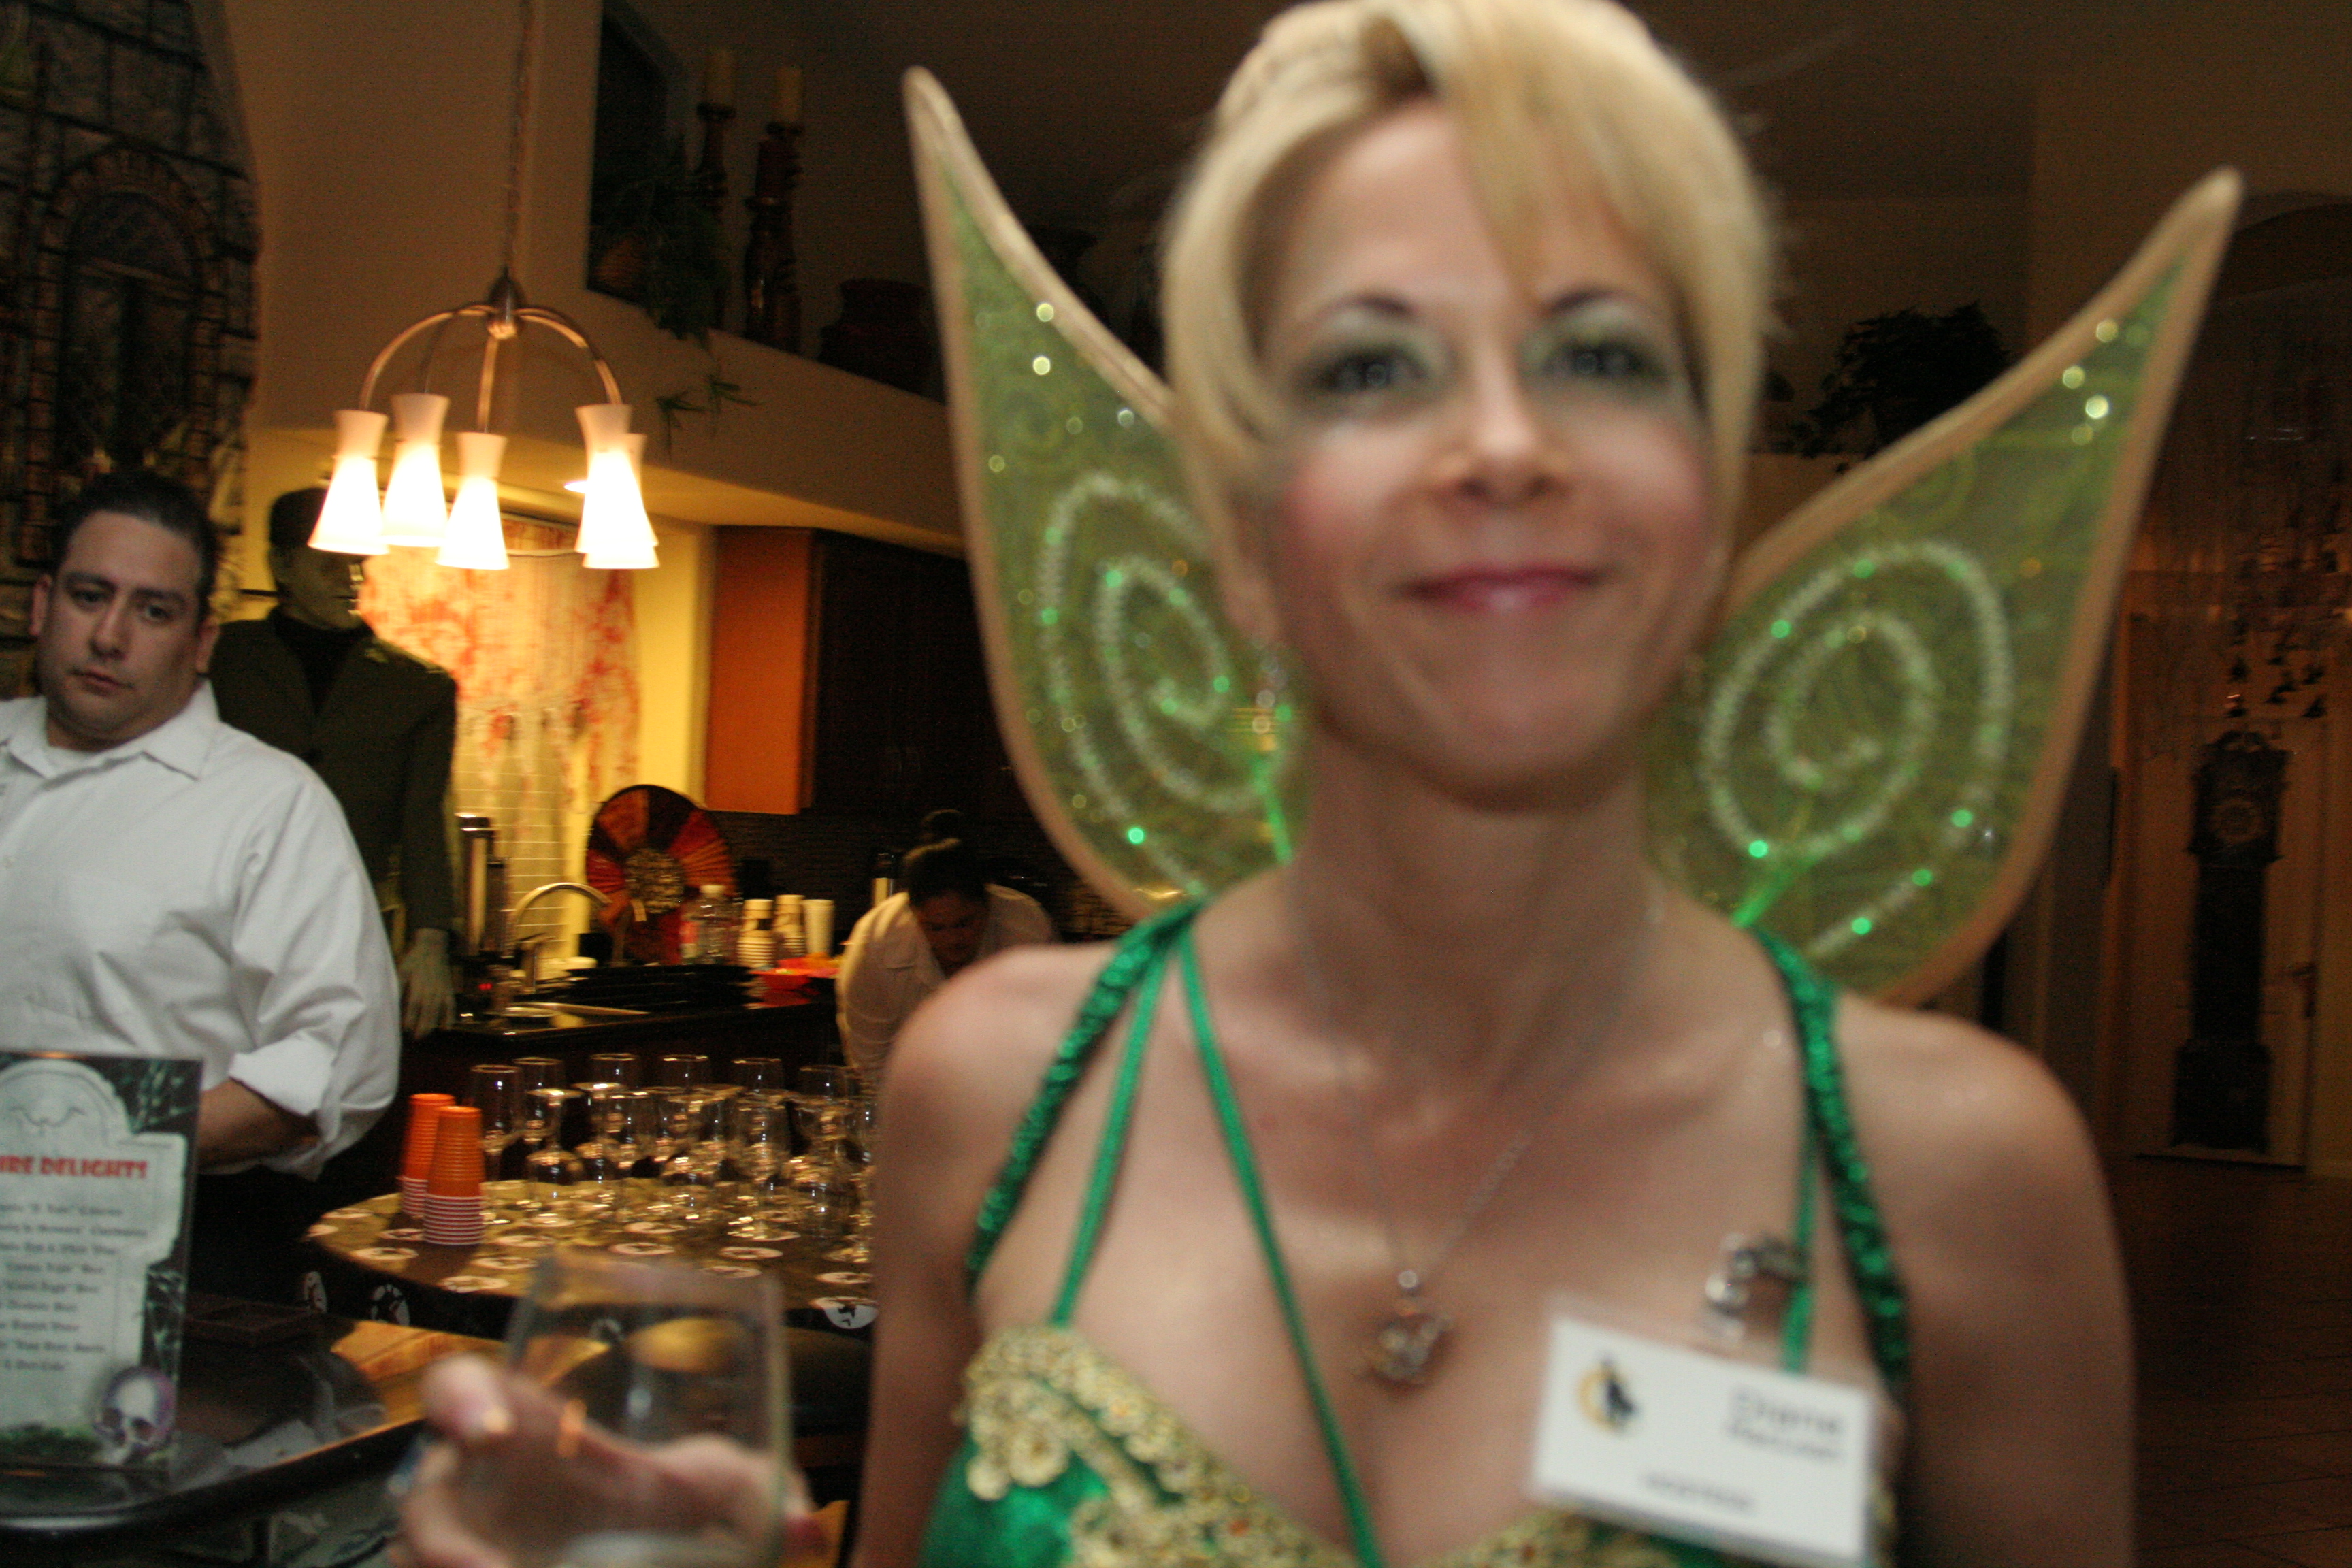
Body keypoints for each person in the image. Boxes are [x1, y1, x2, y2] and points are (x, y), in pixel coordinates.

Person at [401, 2, 2130, 1564]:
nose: (1500, 442)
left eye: (1601, 355)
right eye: (1370, 366)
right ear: (1236, 532)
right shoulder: (999, 1090)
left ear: (1707, 501)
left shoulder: (1953, 1178)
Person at [0, 470, 401, 1301]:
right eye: (89, 596)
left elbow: (331, 1065)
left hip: (171, 1244)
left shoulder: (270, 805)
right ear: (41, 605)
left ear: (202, 640)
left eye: (153, 611)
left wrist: (75, 1145)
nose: (110, 636)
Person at [209, 487, 459, 1036]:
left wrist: (431, 940)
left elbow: (423, 822)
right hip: (221, 928)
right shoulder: (223, 658)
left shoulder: (417, 687)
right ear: (282, 566)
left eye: (358, 562)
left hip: (345, 938)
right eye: (329, 563)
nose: (351, 579)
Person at [836, 836, 1056, 1083]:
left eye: (964, 924)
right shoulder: (875, 946)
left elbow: (1047, 1042)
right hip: (911, 1085)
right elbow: (871, 1065)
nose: (953, 940)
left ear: (987, 906)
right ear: (914, 914)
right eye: (936, 928)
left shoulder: (1028, 932)